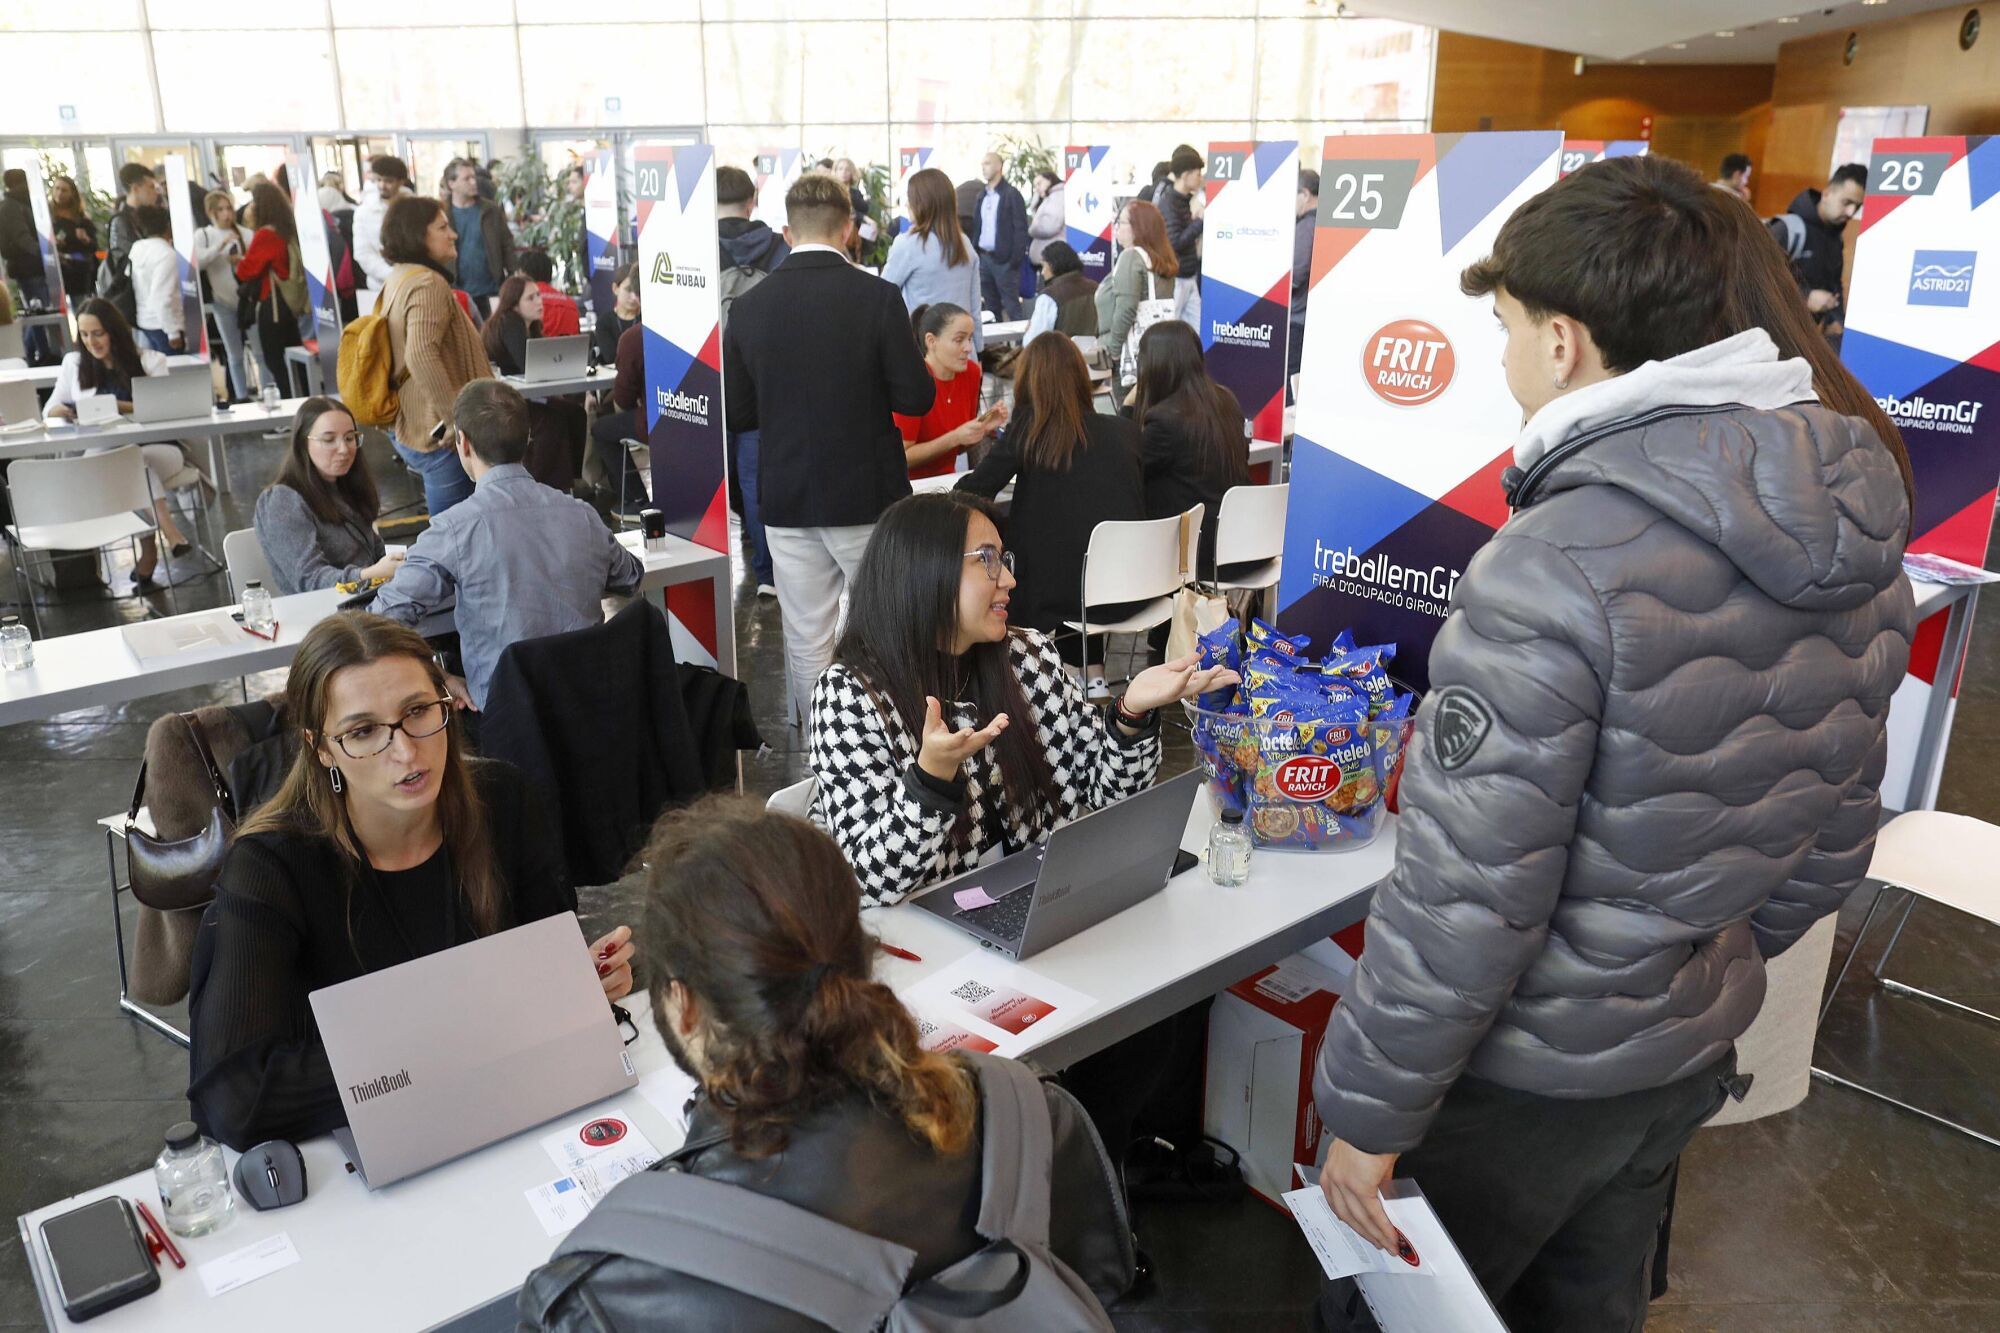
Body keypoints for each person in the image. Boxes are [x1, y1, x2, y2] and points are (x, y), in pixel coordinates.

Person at [1308, 154, 1915, 1333]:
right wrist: (1688, 960)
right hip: (1682, 1049)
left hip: (1523, 1083)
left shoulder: (1554, 563)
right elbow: (1836, 833)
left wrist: (1369, 1117)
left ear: (1562, 343)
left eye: (1502, 328)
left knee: (1398, 1315)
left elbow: (1465, 900)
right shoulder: (1857, 508)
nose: (1496, 360)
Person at [518, 799, 1137, 1327]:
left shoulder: (601, 1293)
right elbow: (1098, 1288)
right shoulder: (1029, 1114)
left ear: (682, 1006)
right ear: (860, 957)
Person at [186, 613, 636, 1151]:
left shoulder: (506, 803)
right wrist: (472, 1040)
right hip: (363, 1152)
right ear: (321, 748)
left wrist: (578, 989)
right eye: (362, 731)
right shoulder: (270, 865)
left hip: (507, 1112)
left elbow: (539, 986)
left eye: (418, 712)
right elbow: (235, 1097)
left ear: (447, 704)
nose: (404, 751)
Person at [808, 490, 1232, 905]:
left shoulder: (1027, 656)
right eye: (987, 561)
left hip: (1038, 905)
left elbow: (1108, 794)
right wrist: (931, 780)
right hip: (928, 942)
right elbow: (871, 880)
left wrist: (1131, 712)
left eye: (1003, 560)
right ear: (925, 572)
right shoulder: (849, 697)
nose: (1009, 579)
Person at [722, 171, 934, 725]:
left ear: (788, 232)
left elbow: (739, 413)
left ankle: (826, 751)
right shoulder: (879, 298)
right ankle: (899, 737)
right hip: (868, 496)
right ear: (848, 229)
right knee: (888, 626)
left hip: (788, 496)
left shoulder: (750, 308)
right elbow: (915, 396)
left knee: (808, 632)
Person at [372, 380, 643, 710]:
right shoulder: (582, 515)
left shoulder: (453, 530)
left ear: (463, 443)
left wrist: (437, 676)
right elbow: (630, 577)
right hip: (591, 708)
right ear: (528, 439)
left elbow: (382, 620)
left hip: (506, 720)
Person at [956, 333, 1145, 693]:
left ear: (1028, 381)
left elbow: (971, 491)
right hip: (1125, 590)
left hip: (1051, 597)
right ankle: (1093, 675)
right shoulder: (1125, 432)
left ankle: (1027, 680)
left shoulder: (1029, 431)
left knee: (1041, 550)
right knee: (1076, 543)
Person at [43, 298, 201, 584]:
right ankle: (166, 536)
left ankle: (154, 546)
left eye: (98, 333)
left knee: (125, 461)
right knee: (126, 463)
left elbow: (166, 411)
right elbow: (49, 411)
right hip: (113, 461)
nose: (91, 341)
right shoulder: (74, 363)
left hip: (162, 452)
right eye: (85, 334)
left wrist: (119, 406)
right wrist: (63, 410)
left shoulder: (152, 361)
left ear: (114, 331)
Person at [376, 193, 493, 516]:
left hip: (412, 423)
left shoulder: (400, 276)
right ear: (418, 236)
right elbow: (421, 354)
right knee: (454, 534)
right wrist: (455, 418)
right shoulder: (427, 282)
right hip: (437, 432)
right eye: (442, 227)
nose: (452, 234)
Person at [716, 164, 791, 594]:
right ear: (752, 201)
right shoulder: (778, 247)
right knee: (756, 472)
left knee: (721, 475)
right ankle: (768, 572)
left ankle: (738, 543)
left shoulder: (695, 247)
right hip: (766, 376)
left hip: (708, 378)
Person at [1131, 320, 1247, 580]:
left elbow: (1129, 470)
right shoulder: (1226, 400)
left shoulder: (1164, 421)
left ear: (1155, 365)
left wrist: (1129, 409)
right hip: (1240, 543)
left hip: (1192, 555)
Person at [254, 397, 401, 595]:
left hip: (369, 600)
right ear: (302, 443)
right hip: (326, 615)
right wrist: (370, 574)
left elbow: (374, 551)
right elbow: (310, 581)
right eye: (329, 440)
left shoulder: (346, 486)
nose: (344, 449)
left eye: (350, 438)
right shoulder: (282, 500)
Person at [481, 274, 585, 493]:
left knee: (574, 413)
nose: (539, 301)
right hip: (502, 402)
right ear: (514, 304)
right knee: (552, 420)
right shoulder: (510, 321)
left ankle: (568, 482)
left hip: (525, 396)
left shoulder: (530, 327)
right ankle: (537, 487)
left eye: (538, 295)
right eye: (531, 298)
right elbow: (527, 364)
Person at [896, 303, 1006, 479]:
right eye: (959, 340)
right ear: (931, 341)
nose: (968, 348)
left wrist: (982, 429)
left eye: (970, 339)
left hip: (947, 481)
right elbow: (902, 457)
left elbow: (959, 446)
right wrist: (955, 437)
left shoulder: (971, 373)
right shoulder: (912, 380)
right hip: (910, 488)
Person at [880, 167, 982, 352]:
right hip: (965, 351)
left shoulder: (908, 243)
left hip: (927, 352)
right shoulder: (964, 242)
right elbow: (975, 307)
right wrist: (980, 352)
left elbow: (882, 294)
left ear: (919, 204)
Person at [1094, 198, 1177, 404]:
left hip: (1128, 356)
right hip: (1159, 353)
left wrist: (1113, 351)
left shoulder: (1131, 257)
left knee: (1129, 415)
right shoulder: (1160, 259)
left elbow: (1126, 309)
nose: (1117, 228)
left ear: (1137, 228)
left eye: (1121, 222)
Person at [1778, 161, 1867, 347]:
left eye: (1857, 206)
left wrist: (1835, 320)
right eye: (1847, 202)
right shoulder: (1787, 229)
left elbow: (1834, 285)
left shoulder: (1836, 239)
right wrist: (1805, 297)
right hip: (1769, 336)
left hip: (1802, 340)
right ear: (1826, 194)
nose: (1851, 213)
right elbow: (1755, 279)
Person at [235, 181, 307, 388]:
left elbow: (246, 270)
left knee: (275, 360)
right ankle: (301, 397)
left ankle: (289, 402)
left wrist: (239, 260)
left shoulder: (266, 234)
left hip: (273, 303)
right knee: (294, 356)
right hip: (289, 301)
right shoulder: (288, 228)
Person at [193, 191, 259, 399]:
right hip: (222, 301)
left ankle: (265, 394)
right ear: (211, 212)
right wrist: (219, 247)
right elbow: (198, 262)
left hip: (249, 300)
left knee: (259, 352)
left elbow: (256, 262)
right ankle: (241, 397)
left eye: (229, 208)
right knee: (234, 354)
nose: (226, 214)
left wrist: (241, 260)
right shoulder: (204, 235)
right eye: (220, 209)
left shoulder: (245, 234)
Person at [441, 157, 512, 319]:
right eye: (467, 179)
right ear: (451, 184)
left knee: (491, 338)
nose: (474, 182)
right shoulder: (442, 213)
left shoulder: (490, 210)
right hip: (458, 291)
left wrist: (512, 274)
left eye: (474, 177)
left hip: (491, 289)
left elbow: (506, 243)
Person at [971, 152, 1028, 321]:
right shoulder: (982, 196)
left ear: (999, 166)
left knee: (1012, 307)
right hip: (984, 259)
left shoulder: (1011, 194)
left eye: (987, 163)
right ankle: (996, 346)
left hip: (1004, 261)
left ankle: (1021, 346)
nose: (983, 167)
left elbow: (1020, 229)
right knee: (990, 309)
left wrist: (1014, 261)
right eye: (982, 163)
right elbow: (977, 226)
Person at [99, 162, 158, 325]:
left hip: (150, 296)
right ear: (136, 188)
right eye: (150, 187)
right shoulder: (121, 222)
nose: (155, 192)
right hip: (135, 298)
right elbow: (129, 258)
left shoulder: (150, 216)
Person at [1156, 145, 1206, 328]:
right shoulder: (1169, 203)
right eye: (1198, 173)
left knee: (1197, 329)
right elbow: (1174, 241)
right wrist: (1200, 223)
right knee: (1171, 328)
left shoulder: (1185, 201)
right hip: (1176, 279)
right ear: (1185, 175)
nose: (1200, 178)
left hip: (1188, 276)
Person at [127, 206, 183, 355]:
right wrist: (173, 333)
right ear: (167, 225)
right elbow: (161, 296)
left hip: (144, 320)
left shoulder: (137, 248)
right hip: (164, 325)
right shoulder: (166, 254)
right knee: (175, 374)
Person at [352, 154, 409, 301]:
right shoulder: (365, 211)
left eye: (389, 181)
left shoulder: (414, 206)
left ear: (401, 181)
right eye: (378, 180)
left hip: (413, 280)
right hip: (380, 286)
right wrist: (391, 274)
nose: (382, 185)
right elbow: (362, 253)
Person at [1021, 240, 1098, 345]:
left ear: (1053, 265)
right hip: (1094, 356)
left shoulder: (1049, 297)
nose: (1043, 272)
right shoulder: (1095, 288)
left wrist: (1029, 332)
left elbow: (1032, 343)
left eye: (1044, 266)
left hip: (1060, 358)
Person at [49, 175, 100, 311]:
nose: (59, 193)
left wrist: (85, 239)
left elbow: (94, 246)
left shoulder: (81, 219)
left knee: (82, 307)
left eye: (64, 190)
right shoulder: (47, 216)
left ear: (72, 193)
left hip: (79, 271)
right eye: (57, 189)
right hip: (56, 269)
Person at [1291, 168, 1319, 381]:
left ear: (1306, 194)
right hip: (1311, 315)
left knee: (1292, 379)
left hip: (1297, 317)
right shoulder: (1326, 223)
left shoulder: (1306, 227)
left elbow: (1296, 273)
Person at [514, 249, 578, 336]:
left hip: (535, 349)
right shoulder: (570, 303)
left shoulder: (522, 304)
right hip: (572, 349)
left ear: (523, 273)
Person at [591, 261, 640, 368]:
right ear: (615, 288)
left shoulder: (647, 320)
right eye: (628, 290)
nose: (633, 297)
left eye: (637, 290)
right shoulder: (604, 322)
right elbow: (610, 357)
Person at [1026, 168, 1064, 268]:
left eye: (1039, 183)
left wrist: (1031, 229)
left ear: (1050, 180)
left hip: (1052, 261)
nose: (1037, 188)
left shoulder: (1057, 197)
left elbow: (1048, 226)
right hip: (1047, 260)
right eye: (1035, 186)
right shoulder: (1050, 198)